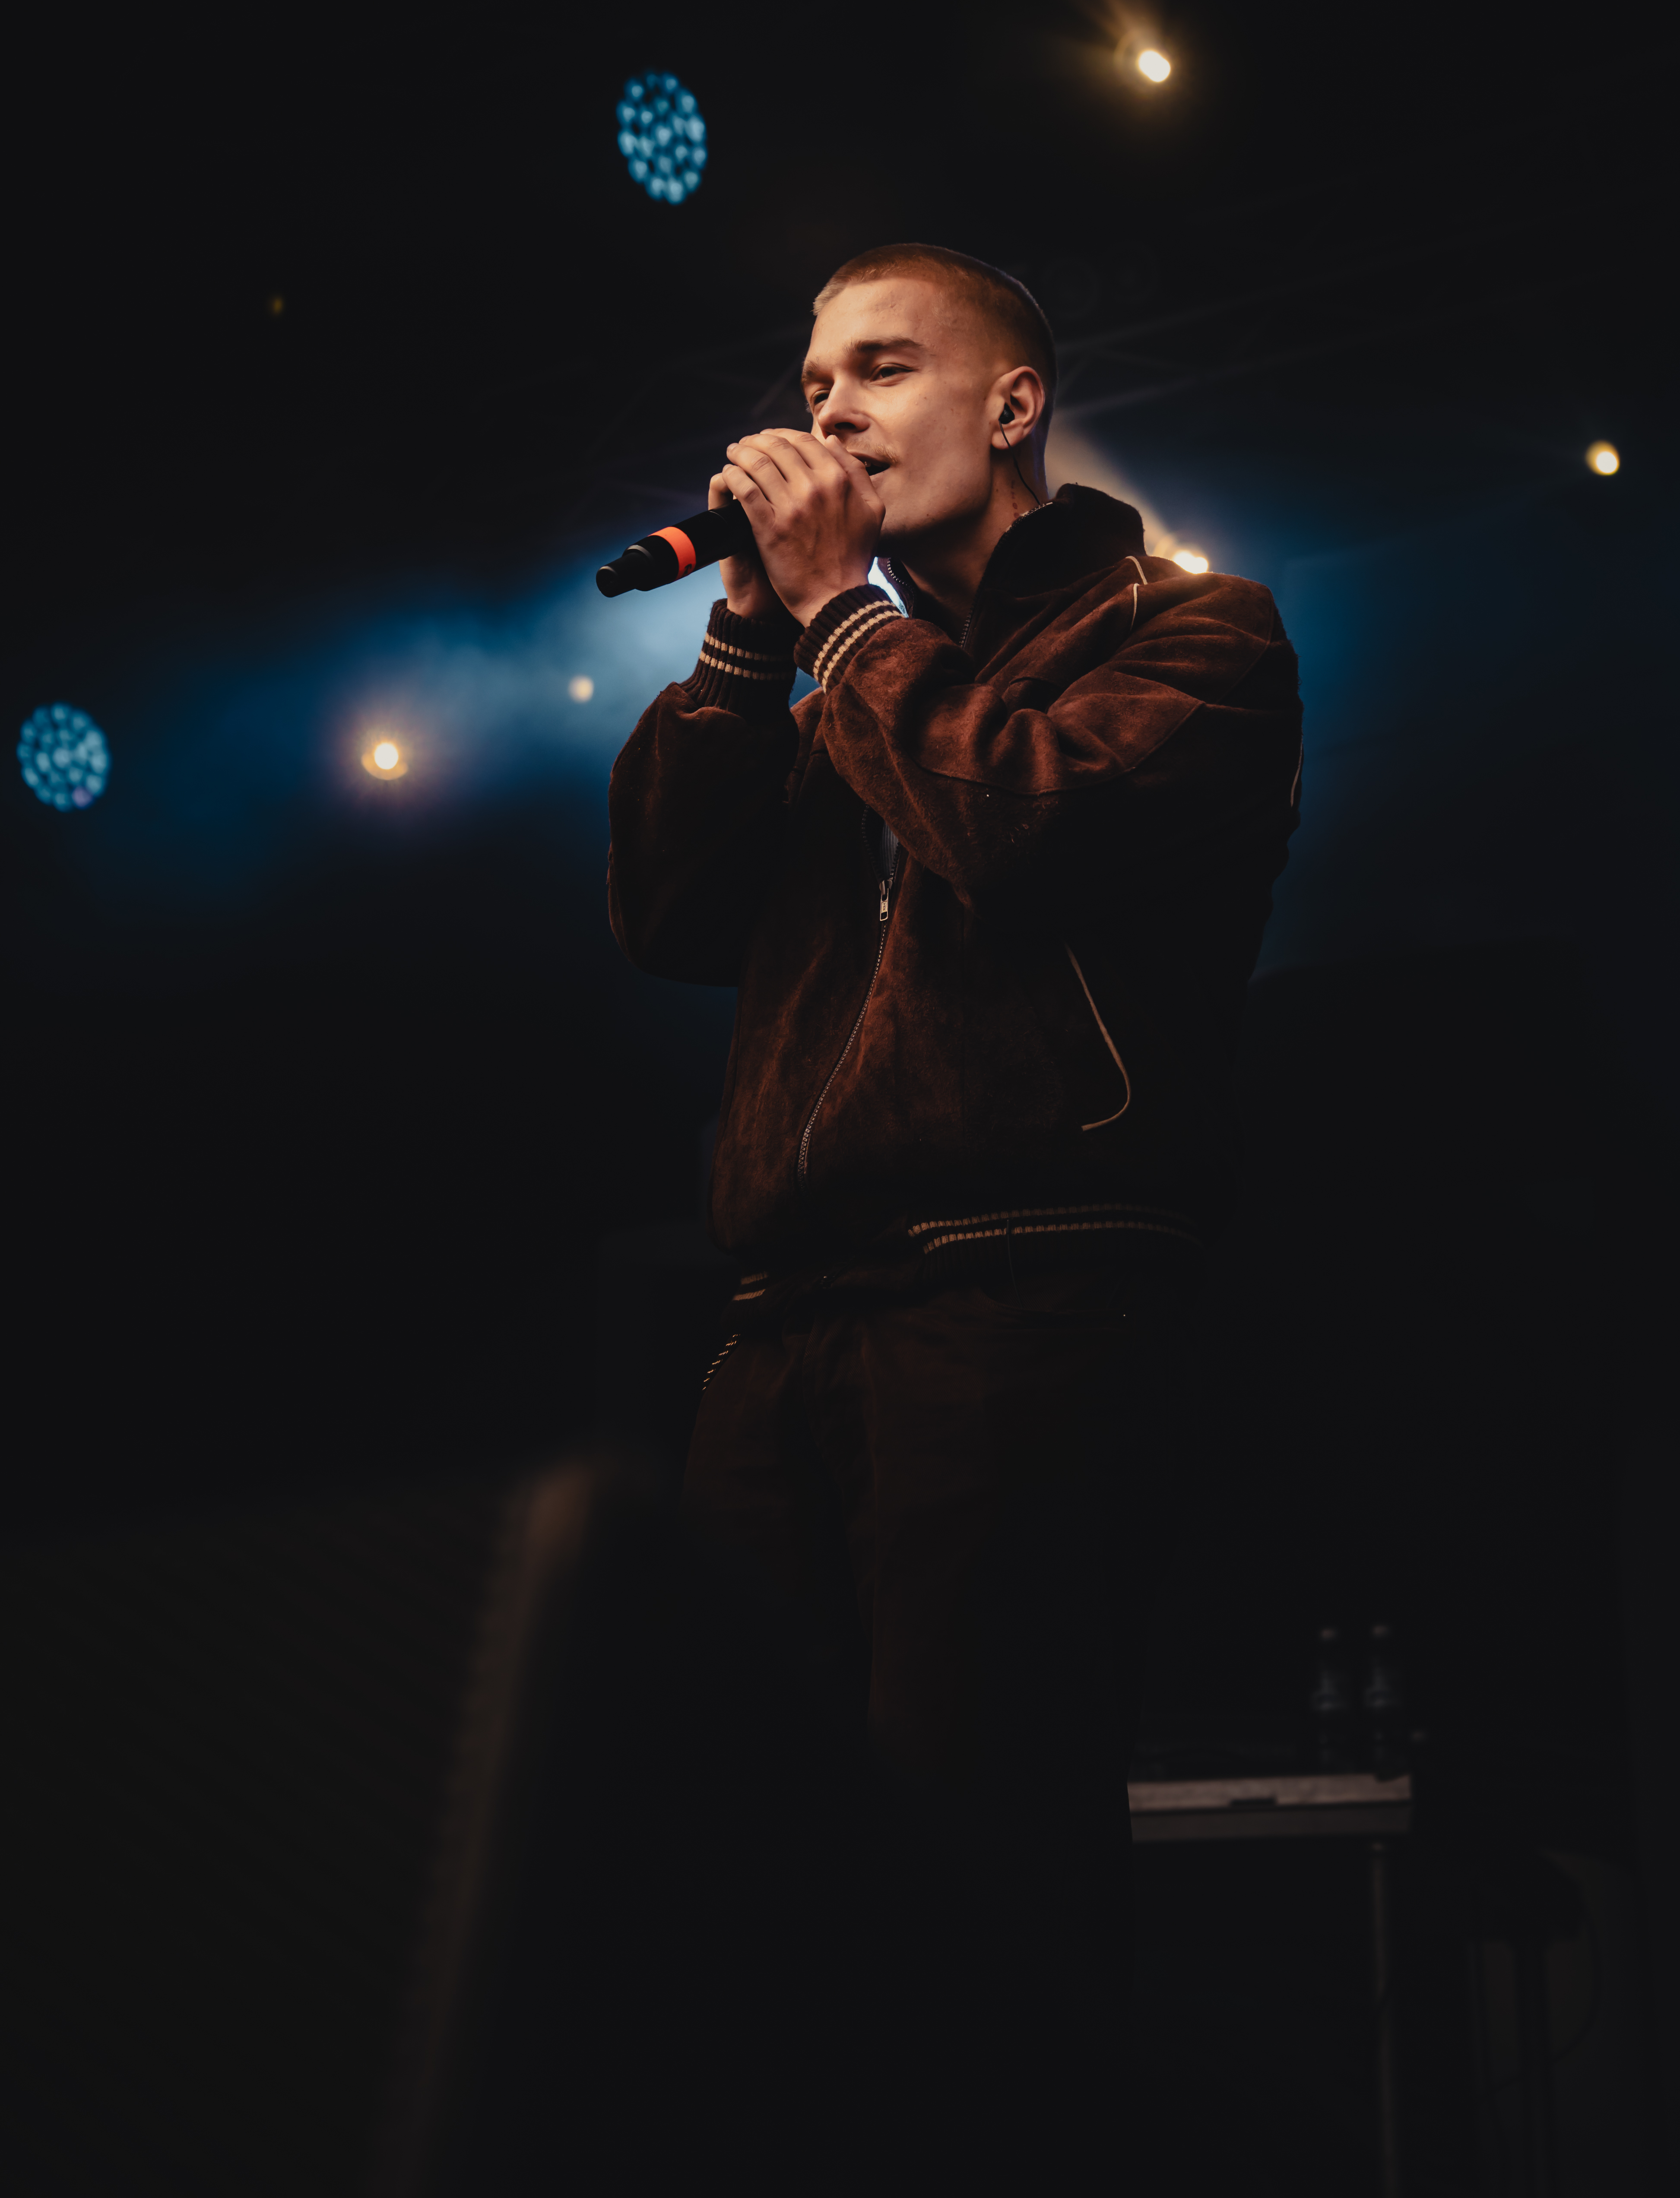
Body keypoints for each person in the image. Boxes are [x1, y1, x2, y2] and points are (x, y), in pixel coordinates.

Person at [607, 243, 1301, 2147]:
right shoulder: (835, 669)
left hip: (1019, 1311)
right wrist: (754, 637)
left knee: (977, 1845)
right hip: (780, 1337)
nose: (824, 412)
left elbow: (1017, 820)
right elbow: (667, 915)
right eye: (812, 378)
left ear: (1008, 408)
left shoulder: (1198, 636)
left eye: (881, 368)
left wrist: (834, 615)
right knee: (744, 1861)